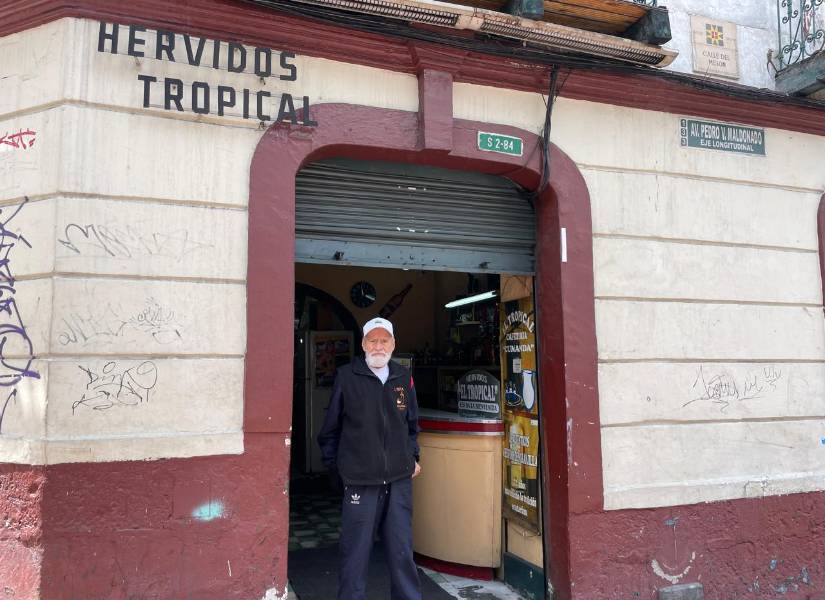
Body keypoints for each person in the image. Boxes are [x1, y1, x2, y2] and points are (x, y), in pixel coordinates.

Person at [318, 317, 422, 600]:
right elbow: (330, 430)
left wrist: (413, 455)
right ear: (363, 344)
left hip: (399, 481)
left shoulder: (403, 376)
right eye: (373, 341)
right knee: (355, 554)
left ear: (393, 344)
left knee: (402, 552)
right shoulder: (347, 376)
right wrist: (338, 469)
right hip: (360, 481)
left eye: (384, 340)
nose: (379, 346)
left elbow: (412, 424)